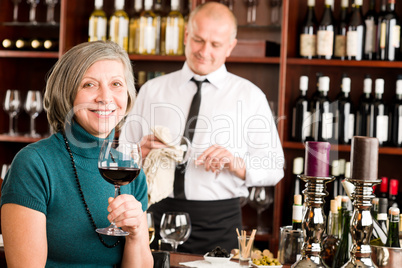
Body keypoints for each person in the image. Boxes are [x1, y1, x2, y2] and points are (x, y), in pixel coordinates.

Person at [119, 2, 284, 254]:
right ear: (186, 36)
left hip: (219, 222)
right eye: (198, 40)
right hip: (154, 216)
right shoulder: (153, 90)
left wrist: (235, 162)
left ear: (230, 46)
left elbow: (274, 167)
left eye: (216, 44)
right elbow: (121, 154)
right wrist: (137, 153)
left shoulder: (250, 96)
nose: (204, 51)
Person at [0, 41, 153, 267]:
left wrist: (137, 232)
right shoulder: (34, 164)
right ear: (67, 94)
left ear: (128, 95)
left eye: (116, 84)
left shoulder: (131, 172)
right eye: (89, 84)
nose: (105, 97)